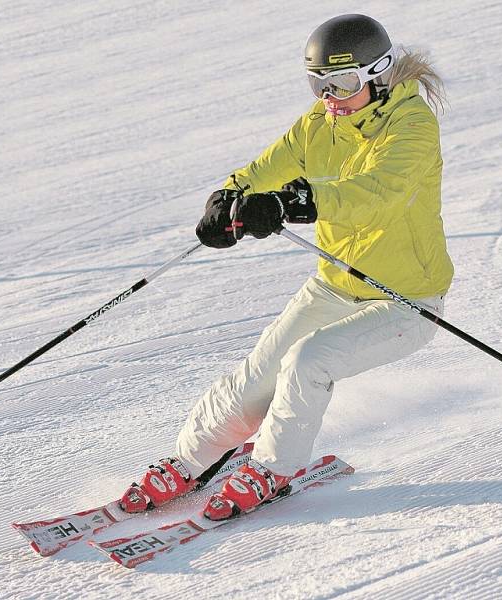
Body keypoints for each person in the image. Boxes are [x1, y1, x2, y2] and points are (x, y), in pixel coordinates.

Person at [120, 13, 454, 521]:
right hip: (337, 285)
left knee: (308, 361)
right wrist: (229, 198)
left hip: (404, 300)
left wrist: (296, 203)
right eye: (318, 84)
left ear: (379, 73)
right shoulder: (319, 126)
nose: (329, 97)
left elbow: (377, 194)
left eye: (340, 83)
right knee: (260, 374)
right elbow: (262, 171)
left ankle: (273, 469)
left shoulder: (411, 125)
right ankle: (192, 461)